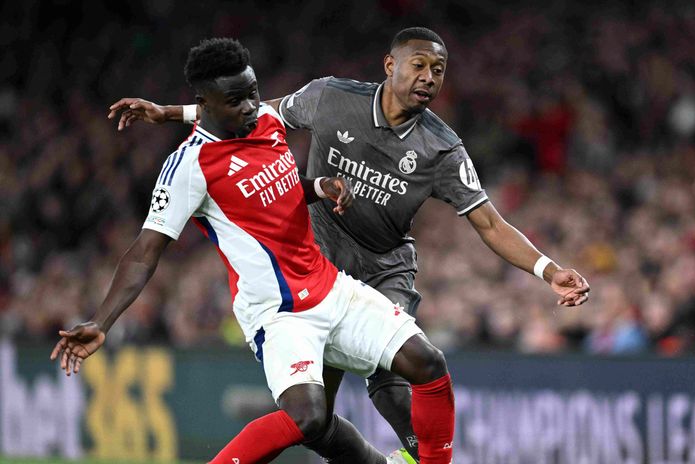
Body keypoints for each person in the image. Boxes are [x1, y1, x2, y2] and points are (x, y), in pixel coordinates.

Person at [109, 27, 591, 463]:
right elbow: (255, 111)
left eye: (438, 70)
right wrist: (169, 112)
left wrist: (549, 271)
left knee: (395, 386)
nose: (428, 77)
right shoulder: (329, 97)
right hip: (315, 264)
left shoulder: (442, 148)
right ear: (390, 65)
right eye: (418, 65)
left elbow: (489, 223)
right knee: (314, 422)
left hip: (383, 269)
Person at [51, 37, 458, 464]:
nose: (250, 107)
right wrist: (102, 321)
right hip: (276, 312)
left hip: (329, 286)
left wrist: (320, 186)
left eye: (253, 93)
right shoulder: (190, 166)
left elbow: (277, 191)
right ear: (205, 103)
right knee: (308, 420)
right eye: (236, 100)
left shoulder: (266, 121)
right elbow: (144, 252)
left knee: (427, 362)